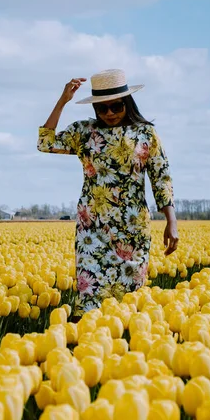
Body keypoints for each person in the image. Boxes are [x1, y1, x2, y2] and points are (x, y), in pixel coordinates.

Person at [37, 69, 178, 317]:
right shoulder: (84, 132)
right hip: (92, 230)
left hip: (132, 230)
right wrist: (63, 101)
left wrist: (171, 222)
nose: (110, 113)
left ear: (128, 103)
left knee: (130, 302)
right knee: (90, 300)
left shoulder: (145, 134)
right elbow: (45, 143)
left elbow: (161, 177)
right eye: (102, 108)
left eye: (116, 106)